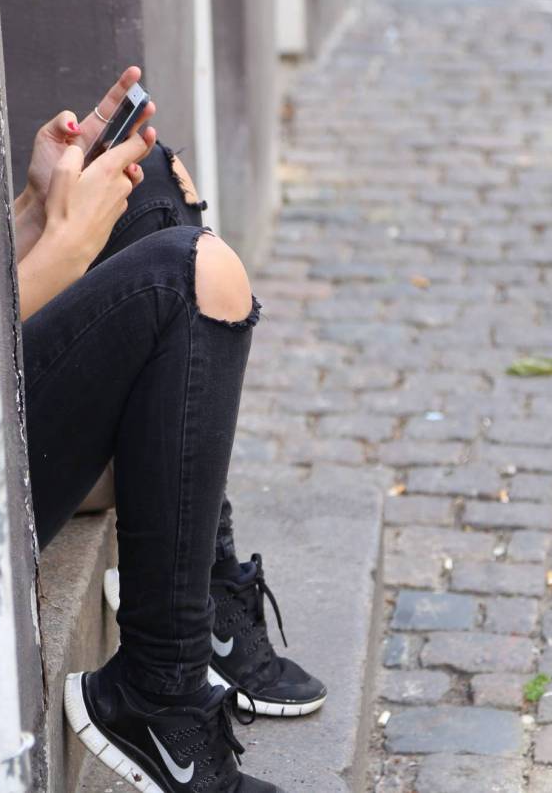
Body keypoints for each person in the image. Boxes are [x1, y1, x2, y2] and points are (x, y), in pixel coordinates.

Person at [16, 66, 325, 793]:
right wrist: (62, 245)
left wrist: (34, 208)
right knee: (184, 278)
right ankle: (162, 690)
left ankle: (205, 596)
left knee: (148, 180)